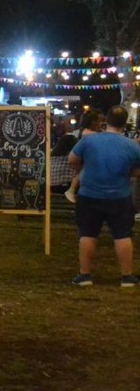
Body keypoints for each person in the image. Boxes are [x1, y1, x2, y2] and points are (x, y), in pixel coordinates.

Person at [68, 105, 140, 288]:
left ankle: (85, 275)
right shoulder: (132, 145)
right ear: (125, 123)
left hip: (89, 194)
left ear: (105, 120)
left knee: (87, 234)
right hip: (120, 195)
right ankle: (126, 277)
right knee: (122, 235)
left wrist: (84, 169)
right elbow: (137, 172)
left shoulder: (89, 140)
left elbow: (72, 160)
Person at [64, 109, 105, 203]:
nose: (102, 123)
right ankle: (71, 190)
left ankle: (72, 190)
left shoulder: (82, 132)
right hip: (86, 162)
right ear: (93, 122)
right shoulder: (89, 134)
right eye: (100, 120)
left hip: (83, 161)